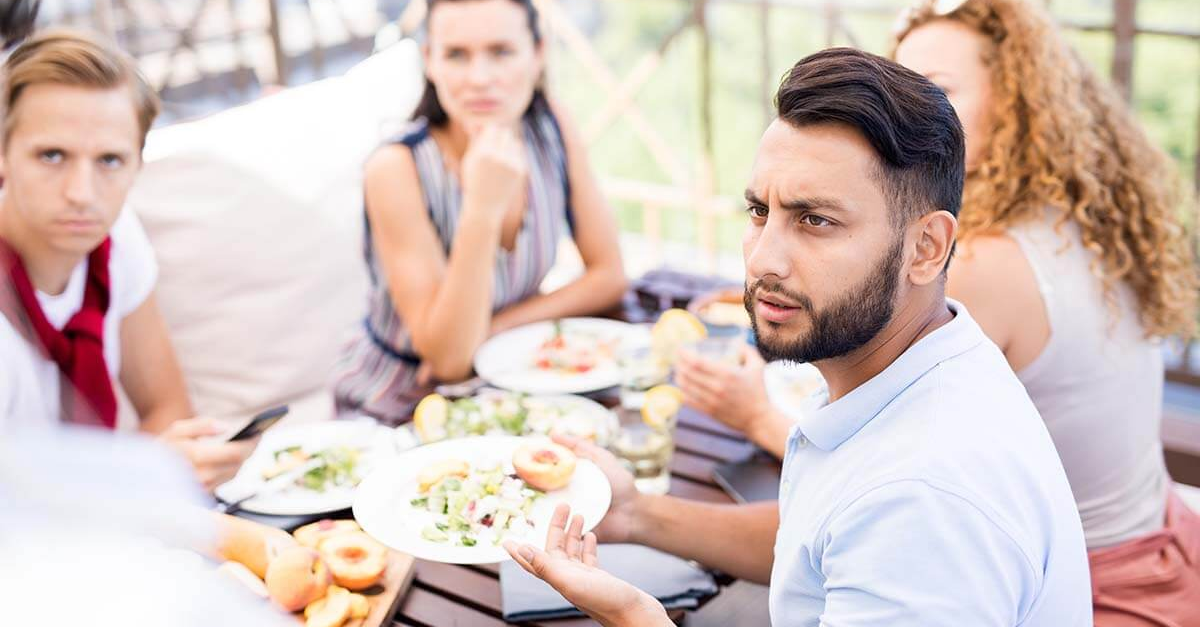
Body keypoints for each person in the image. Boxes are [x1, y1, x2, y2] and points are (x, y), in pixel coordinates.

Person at [505, 47, 1092, 626]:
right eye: (761, 211)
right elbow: (824, 546)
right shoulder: (906, 363)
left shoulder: (924, 502)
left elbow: (883, 530)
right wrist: (633, 513)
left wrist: (635, 616)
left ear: (927, 248)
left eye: (816, 220)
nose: (765, 260)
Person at [896, 0, 1200, 622]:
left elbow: (866, 470)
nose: (903, 116)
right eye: (900, 88)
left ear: (1015, 105)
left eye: (937, 91)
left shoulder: (983, 267)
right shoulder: (1087, 227)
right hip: (1166, 546)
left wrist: (754, 415)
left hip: (1094, 595)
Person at [334, 0, 627, 422]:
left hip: (513, 384)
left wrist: (492, 331)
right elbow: (450, 360)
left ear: (538, 54)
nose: (480, 79)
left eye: (501, 52)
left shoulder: (551, 127)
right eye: (456, 55)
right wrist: (482, 208)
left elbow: (609, 275)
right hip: (403, 402)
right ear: (429, 61)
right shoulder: (396, 169)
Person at [0, 28, 256, 491]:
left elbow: (167, 407)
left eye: (110, 161)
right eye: (52, 155)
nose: (81, 194)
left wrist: (160, 467)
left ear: (138, 164)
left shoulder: (116, 236)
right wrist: (139, 475)